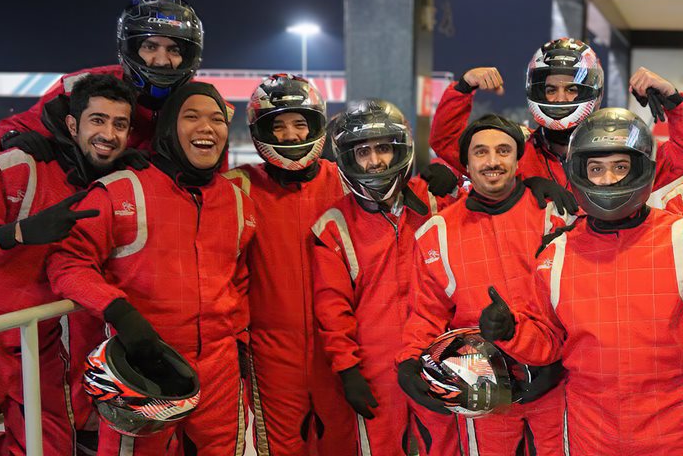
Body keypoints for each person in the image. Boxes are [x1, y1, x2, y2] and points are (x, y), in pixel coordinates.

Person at [0, 73, 137, 456]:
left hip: (39, 339)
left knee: (51, 446)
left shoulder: (111, 187)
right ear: (73, 125)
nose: (108, 134)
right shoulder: (20, 166)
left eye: (119, 124)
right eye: (98, 120)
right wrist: (14, 233)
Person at [46, 81, 254, 455]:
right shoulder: (120, 190)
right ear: (169, 127)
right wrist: (120, 312)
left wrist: (239, 340)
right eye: (192, 117)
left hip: (221, 375)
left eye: (217, 119)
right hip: (143, 369)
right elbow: (67, 262)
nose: (207, 127)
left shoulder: (239, 203)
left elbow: (238, 280)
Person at [495, 107, 683, 455]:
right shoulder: (557, 254)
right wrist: (512, 332)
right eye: (596, 169)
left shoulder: (678, 239)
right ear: (579, 172)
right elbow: (549, 340)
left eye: (620, 167)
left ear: (642, 169)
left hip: (671, 431)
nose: (608, 179)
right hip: (590, 432)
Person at [397, 114, 575, 456]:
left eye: (503, 151)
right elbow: (426, 312)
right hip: (483, 388)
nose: (493, 161)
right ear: (465, 163)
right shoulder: (437, 233)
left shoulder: (556, 215)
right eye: (481, 152)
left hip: (556, 380)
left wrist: (561, 361)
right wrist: (408, 361)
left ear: (518, 159)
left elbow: (578, 300)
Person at [311, 99, 462, 455]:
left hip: (437, 354)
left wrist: (458, 181)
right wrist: (348, 370)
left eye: (383, 148)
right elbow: (332, 309)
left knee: (444, 447)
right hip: (374, 369)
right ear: (348, 158)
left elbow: (490, 200)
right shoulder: (333, 226)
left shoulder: (435, 203)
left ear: (401, 151)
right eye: (363, 152)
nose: (375, 161)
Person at [222, 73, 358, 456]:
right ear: (260, 131)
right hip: (271, 351)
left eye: (300, 123)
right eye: (278, 126)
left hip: (341, 347)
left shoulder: (347, 182)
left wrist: (445, 178)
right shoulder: (238, 187)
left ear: (316, 125)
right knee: (280, 448)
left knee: (343, 443)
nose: (291, 135)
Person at [429, 38, 683, 191]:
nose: (560, 98)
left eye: (571, 89)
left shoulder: (620, 151)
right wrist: (462, 88)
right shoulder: (516, 150)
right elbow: (446, 143)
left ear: (593, 91)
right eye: (551, 90)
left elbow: (678, 160)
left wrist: (674, 102)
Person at [0, 0, 205, 156]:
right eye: (150, 46)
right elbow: (14, 127)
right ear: (130, 48)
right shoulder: (85, 85)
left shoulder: (202, 103)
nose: (162, 61)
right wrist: (12, 139)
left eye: (174, 50)